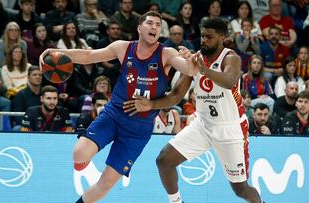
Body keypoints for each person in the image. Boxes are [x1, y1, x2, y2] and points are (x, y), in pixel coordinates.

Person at [39, 11, 198, 203]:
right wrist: (59, 53)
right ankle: (85, 161)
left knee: (106, 183)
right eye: (150, 23)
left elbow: (189, 70)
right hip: (114, 115)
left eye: (158, 24)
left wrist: (189, 58)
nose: (154, 27)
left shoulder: (167, 53)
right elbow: (89, 55)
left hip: (138, 129)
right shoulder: (123, 48)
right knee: (78, 153)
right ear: (139, 28)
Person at [124, 17, 262, 203]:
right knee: (164, 160)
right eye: (202, 36)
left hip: (231, 130)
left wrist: (203, 69)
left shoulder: (231, 58)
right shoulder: (195, 59)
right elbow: (176, 95)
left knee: (240, 189)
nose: (203, 40)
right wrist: (151, 104)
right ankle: (176, 202)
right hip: (203, 125)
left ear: (223, 38)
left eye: (209, 37)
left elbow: (229, 81)